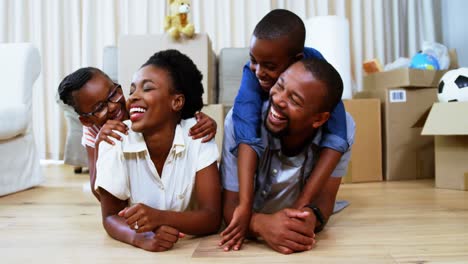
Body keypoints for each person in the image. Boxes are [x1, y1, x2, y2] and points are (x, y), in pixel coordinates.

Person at [220, 9, 349, 251]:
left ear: (295, 60)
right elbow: (246, 126)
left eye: (269, 66)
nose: (258, 72)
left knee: (339, 132)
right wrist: (250, 213)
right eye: (254, 61)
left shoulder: (318, 81)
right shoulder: (252, 80)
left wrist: (302, 213)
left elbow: (338, 136)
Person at [93, 49, 222, 252]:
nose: (133, 97)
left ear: (176, 102)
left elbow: (212, 217)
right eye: (132, 90)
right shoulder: (114, 139)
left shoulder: (198, 135)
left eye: (147, 88)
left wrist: (160, 217)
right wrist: (140, 238)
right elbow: (110, 217)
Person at [58, 67, 217, 201]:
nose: (113, 107)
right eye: (99, 108)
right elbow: (98, 191)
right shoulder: (94, 130)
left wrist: (208, 123)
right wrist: (100, 144)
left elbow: (184, 118)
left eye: (113, 94)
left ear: (118, 87)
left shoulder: (143, 107)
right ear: (86, 121)